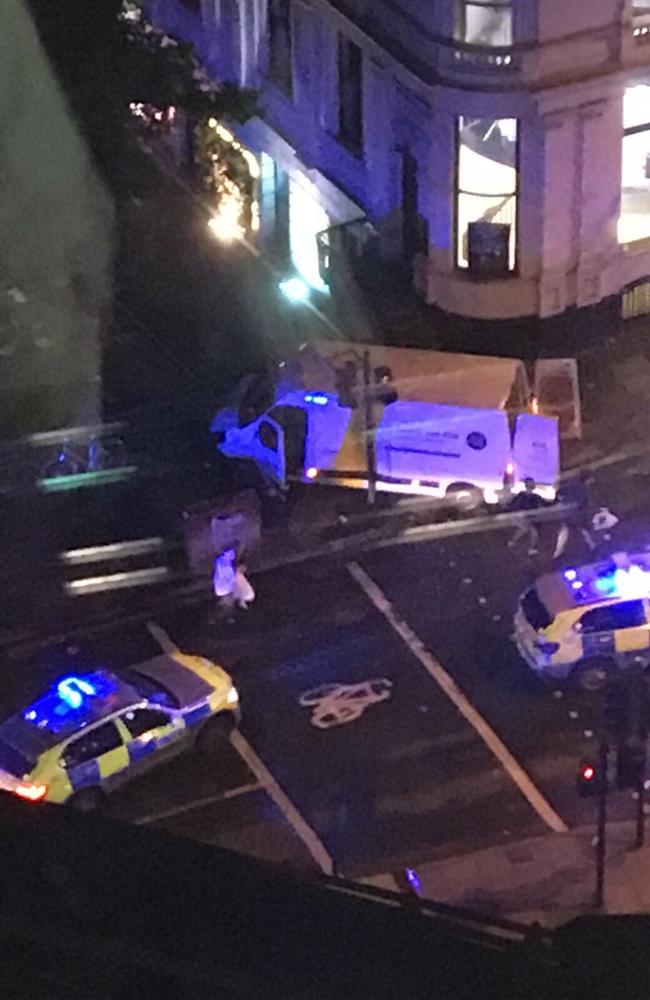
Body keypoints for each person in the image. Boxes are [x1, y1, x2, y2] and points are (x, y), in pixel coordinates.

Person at [507, 478, 546, 555]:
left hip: (527, 517)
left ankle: (512, 541)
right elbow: (513, 505)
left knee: (525, 529)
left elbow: (543, 505)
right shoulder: (524, 496)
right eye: (531, 484)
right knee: (533, 531)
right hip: (522, 517)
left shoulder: (535, 497)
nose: (532, 485)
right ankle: (531, 548)